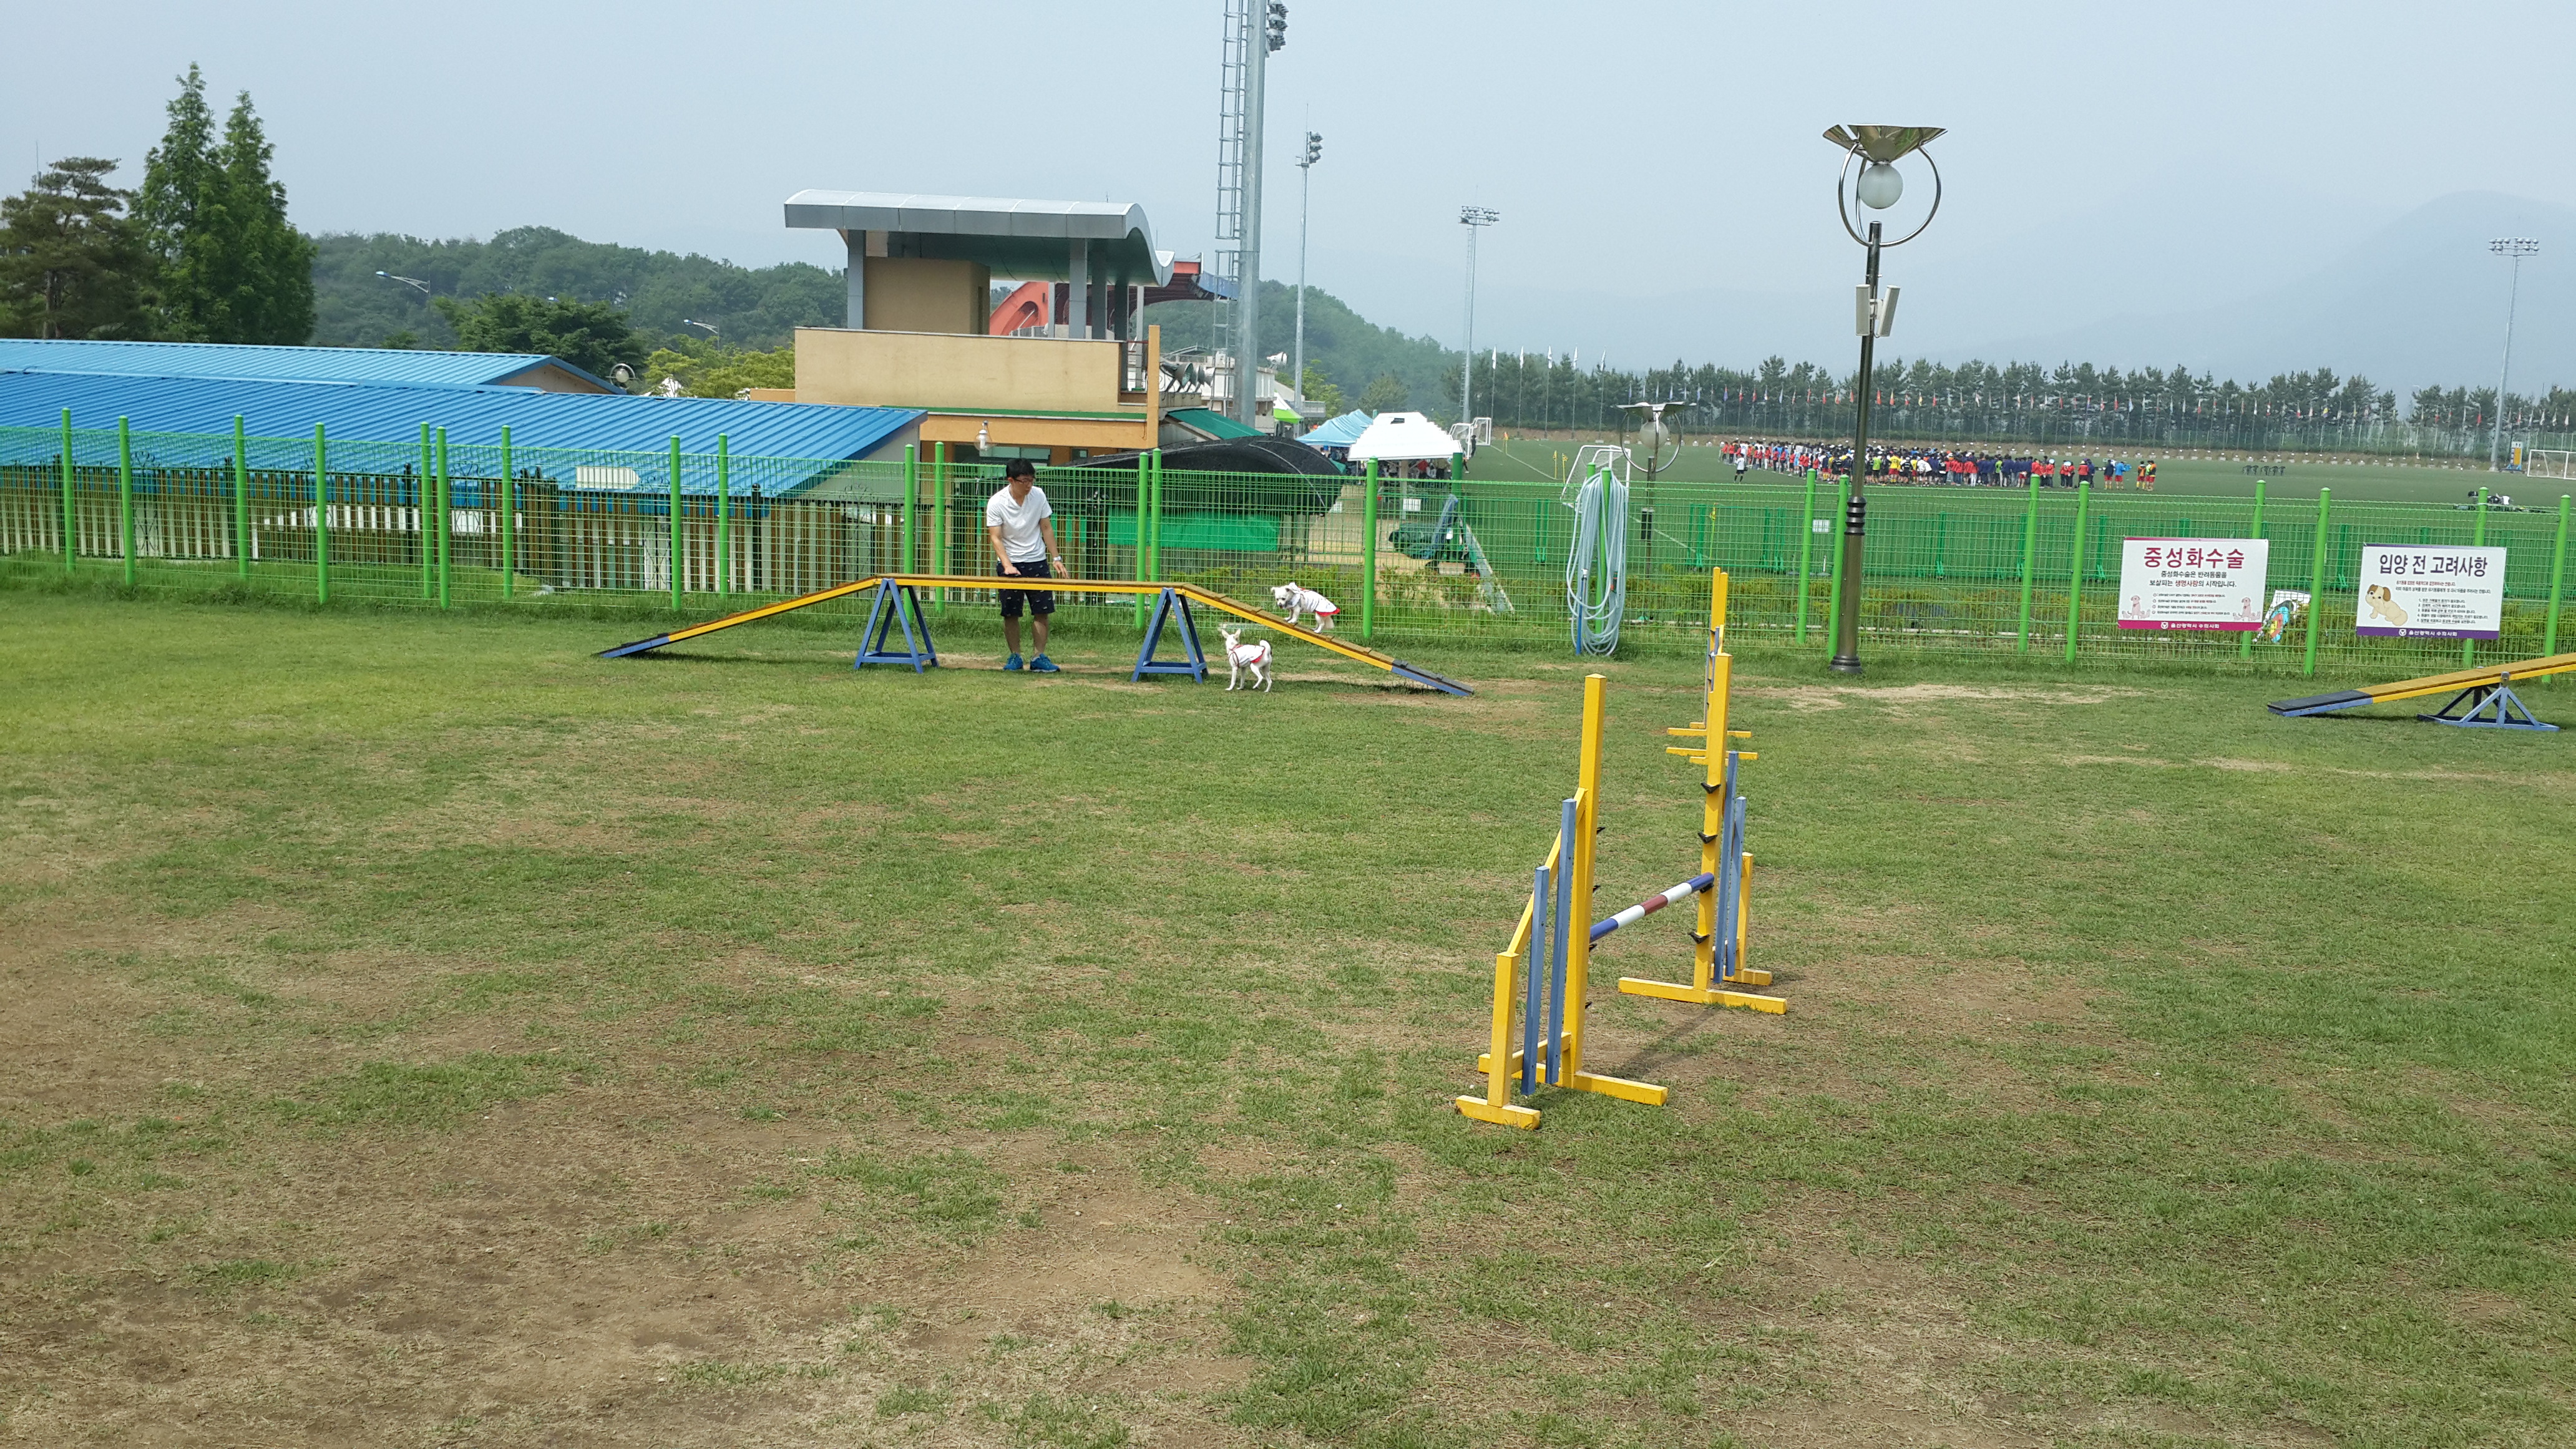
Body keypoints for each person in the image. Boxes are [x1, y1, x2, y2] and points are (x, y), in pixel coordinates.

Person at [983, 459, 1067, 672]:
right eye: (1024, 481)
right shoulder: (997, 502)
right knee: (1011, 612)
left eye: (1032, 480)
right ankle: (1015, 656)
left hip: (1037, 560)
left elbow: (1046, 527)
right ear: (1011, 480)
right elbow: (996, 537)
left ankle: (1039, 656)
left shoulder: (1038, 495)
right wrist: (1007, 565)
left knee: (1042, 611)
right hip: (1010, 562)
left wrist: (1056, 559)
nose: (1029, 485)